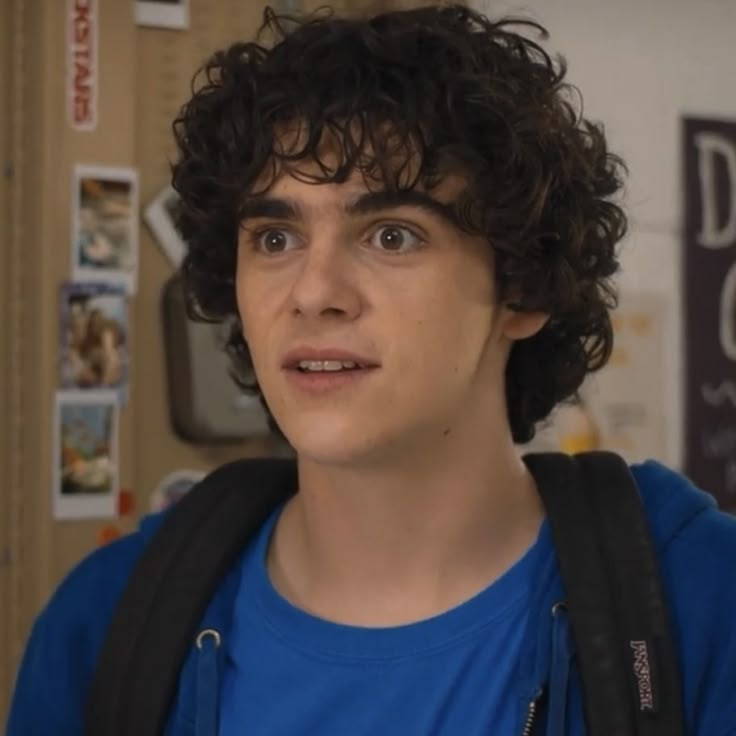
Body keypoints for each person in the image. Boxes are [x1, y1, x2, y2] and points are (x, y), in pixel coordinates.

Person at [7, 4, 736, 735]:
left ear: (525, 289)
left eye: (391, 235)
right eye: (274, 237)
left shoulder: (703, 605)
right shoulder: (101, 627)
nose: (314, 292)